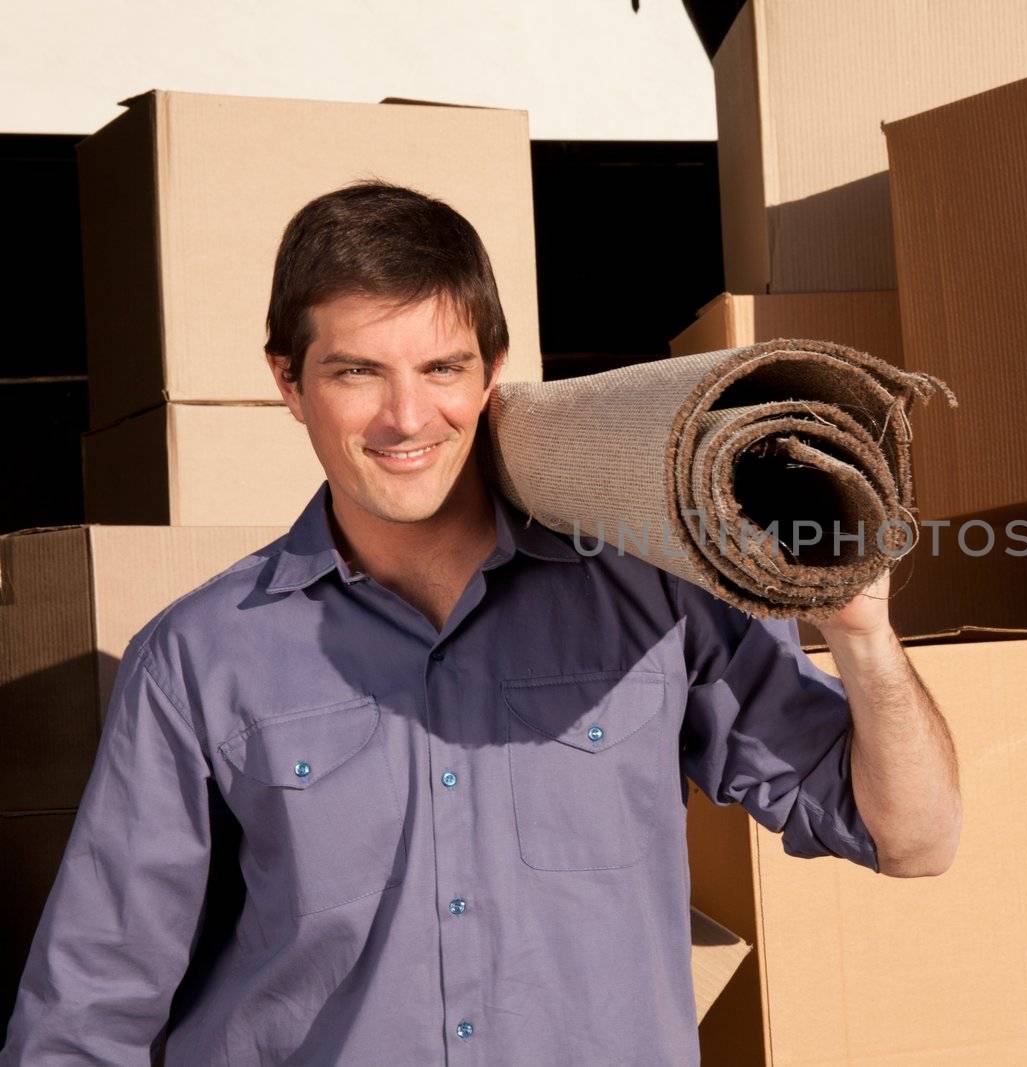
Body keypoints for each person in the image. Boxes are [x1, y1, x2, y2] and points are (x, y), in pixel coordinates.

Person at [1, 181, 961, 1064]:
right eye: (355, 372)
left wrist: (861, 633)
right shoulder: (199, 658)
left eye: (443, 366)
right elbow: (89, 1008)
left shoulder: (652, 593)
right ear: (288, 384)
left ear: (493, 371)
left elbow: (914, 839)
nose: (406, 416)